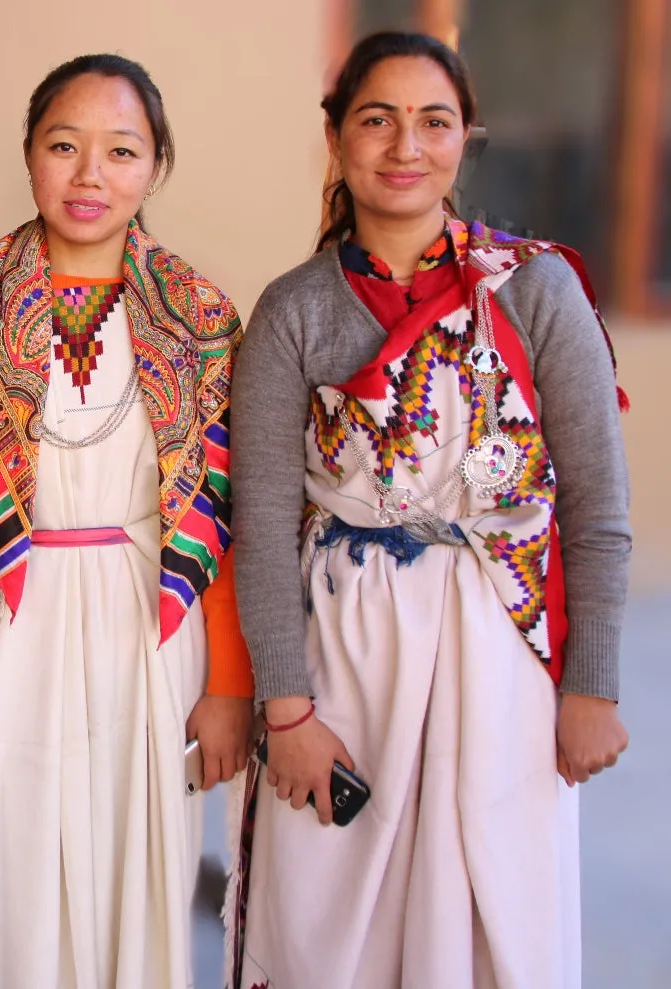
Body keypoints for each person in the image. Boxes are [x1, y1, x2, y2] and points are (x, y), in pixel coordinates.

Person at [227, 31, 631, 989]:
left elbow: (596, 503)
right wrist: (285, 710)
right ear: (336, 139)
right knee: (333, 922)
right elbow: (266, 522)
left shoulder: (538, 290)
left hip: (507, 654)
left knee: (496, 917)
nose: (405, 146)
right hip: (347, 657)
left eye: (433, 123)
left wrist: (593, 684)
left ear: (465, 141)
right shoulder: (293, 311)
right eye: (377, 120)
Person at [0, 53, 254, 989]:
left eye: (121, 150)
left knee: (140, 868)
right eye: (64, 146)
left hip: (155, 625)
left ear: (155, 166)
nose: (89, 174)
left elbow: (221, 520)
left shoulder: (201, 320)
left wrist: (227, 684)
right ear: (28, 155)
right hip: (11, 626)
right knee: (12, 872)